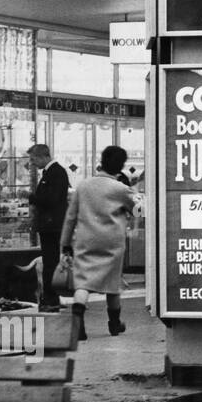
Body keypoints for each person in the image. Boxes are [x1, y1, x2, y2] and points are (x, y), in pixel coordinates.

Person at [61, 146, 135, 341]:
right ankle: (114, 324)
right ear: (120, 166)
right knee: (112, 284)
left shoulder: (83, 186)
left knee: (83, 283)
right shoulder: (120, 189)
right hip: (112, 242)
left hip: (86, 240)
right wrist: (130, 219)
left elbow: (70, 217)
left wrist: (65, 244)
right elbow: (138, 209)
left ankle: (78, 323)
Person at [22, 144, 69, 312]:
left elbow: (51, 199)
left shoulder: (56, 173)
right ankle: (51, 298)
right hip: (50, 226)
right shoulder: (50, 173)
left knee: (51, 263)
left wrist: (31, 197)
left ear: (43, 156)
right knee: (50, 262)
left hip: (52, 226)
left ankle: (51, 299)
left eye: (34, 159)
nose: (33, 163)